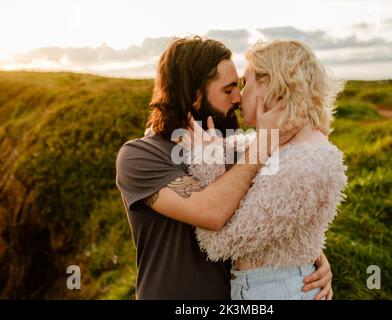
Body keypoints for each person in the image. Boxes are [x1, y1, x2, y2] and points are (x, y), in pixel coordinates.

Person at [115, 36, 334, 299]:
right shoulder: (142, 155)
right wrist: (262, 146)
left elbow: (271, 214)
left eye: (240, 86)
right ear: (195, 95)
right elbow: (213, 212)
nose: (238, 98)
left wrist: (307, 258)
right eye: (229, 89)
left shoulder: (233, 145)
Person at [191, 40, 347, 300]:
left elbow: (219, 243)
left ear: (272, 84)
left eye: (246, 82)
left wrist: (205, 161)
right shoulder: (275, 142)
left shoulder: (307, 161)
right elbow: (234, 147)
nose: (239, 96)